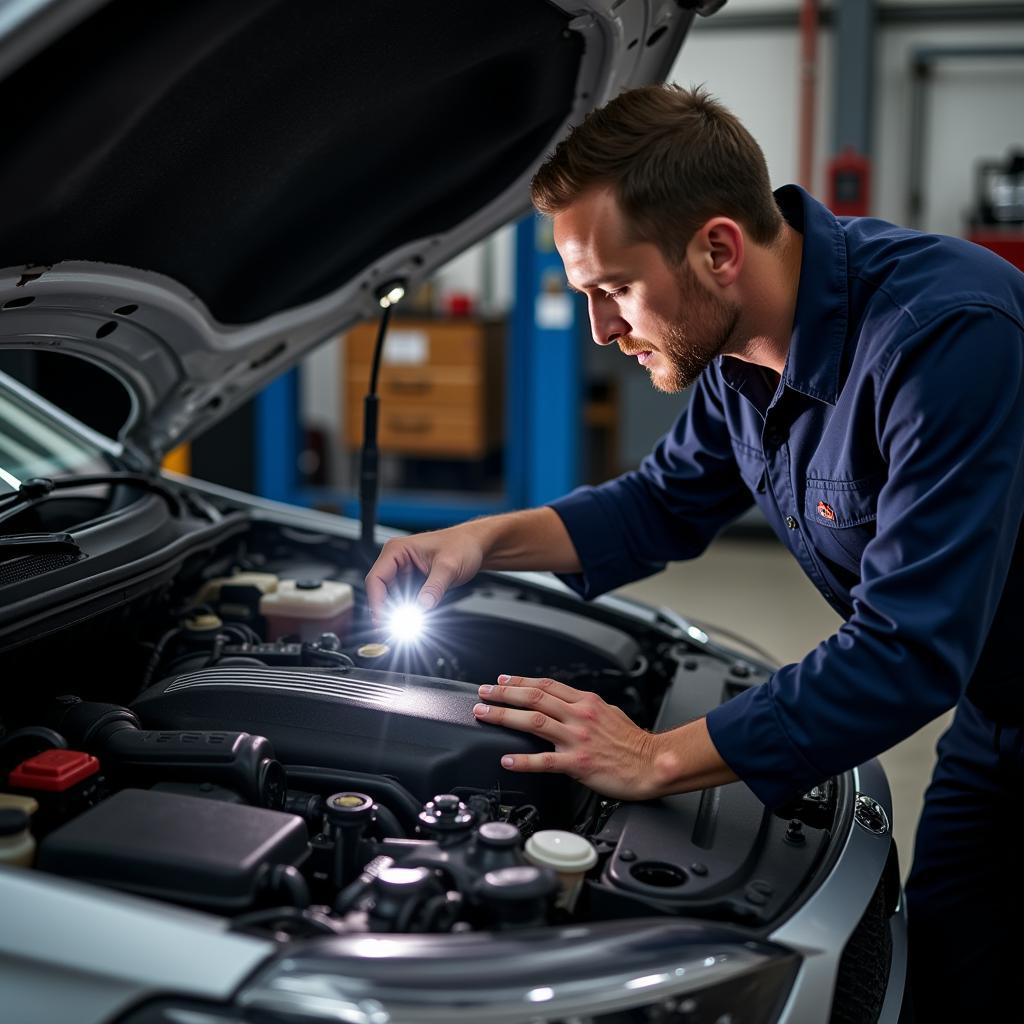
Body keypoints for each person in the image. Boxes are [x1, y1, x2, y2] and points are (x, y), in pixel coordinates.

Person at [365, 85, 1024, 1016]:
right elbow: (658, 506)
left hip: (987, 680)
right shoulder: (741, 352)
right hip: (999, 715)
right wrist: (481, 540)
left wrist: (656, 757)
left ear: (718, 247)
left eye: (614, 290)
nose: (601, 330)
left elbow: (910, 649)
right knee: (950, 976)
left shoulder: (945, 339)